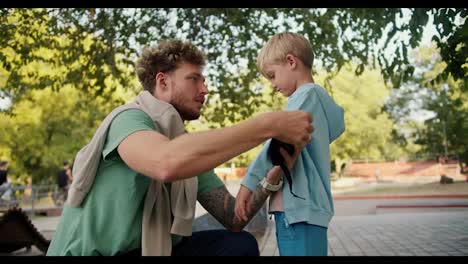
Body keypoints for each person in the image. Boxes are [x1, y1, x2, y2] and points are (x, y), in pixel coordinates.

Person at [46, 39, 314, 256]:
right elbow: (165, 163)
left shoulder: (185, 149)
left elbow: (234, 217)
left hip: (153, 249)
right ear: (163, 82)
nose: (205, 89)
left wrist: (273, 176)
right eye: (194, 79)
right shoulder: (128, 119)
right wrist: (268, 124)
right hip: (97, 253)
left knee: (237, 246)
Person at [235, 32, 345, 256]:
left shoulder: (305, 95)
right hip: (310, 208)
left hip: (297, 209)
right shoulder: (318, 100)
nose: (273, 85)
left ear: (291, 61)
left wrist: (249, 182)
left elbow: (278, 144)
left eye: (273, 75)